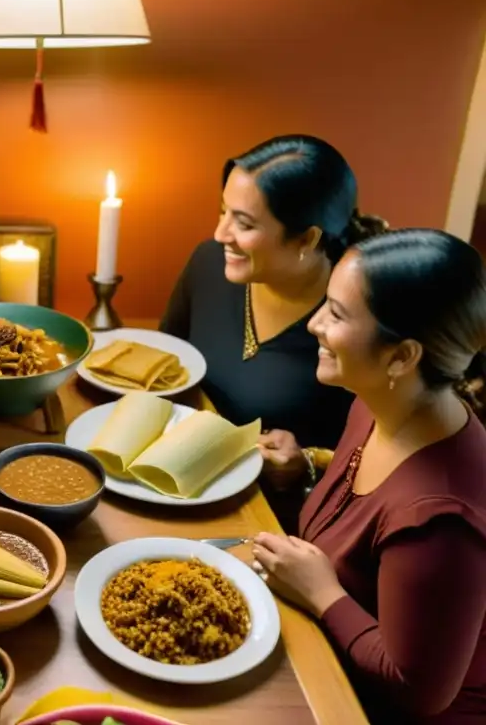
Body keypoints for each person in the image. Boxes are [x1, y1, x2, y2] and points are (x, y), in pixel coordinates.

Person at [252, 229, 486, 724]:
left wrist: (322, 594)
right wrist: (306, 468)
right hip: (320, 658)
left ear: (402, 356)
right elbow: (364, 507)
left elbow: (419, 692)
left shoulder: (442, 520)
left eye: (336, 314)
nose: (314, 323)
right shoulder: (384, 403)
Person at [160, 135, 388, 526]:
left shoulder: (360, 319)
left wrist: (306, 465)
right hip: (178, 487)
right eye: (222, 212)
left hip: (273, 521)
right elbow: (164, 367)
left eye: (244, 224)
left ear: (306, 239)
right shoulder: (208, 263)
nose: (220, 234)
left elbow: (388, 462)